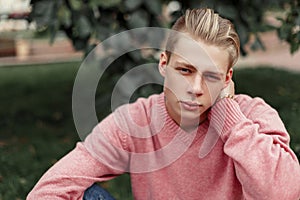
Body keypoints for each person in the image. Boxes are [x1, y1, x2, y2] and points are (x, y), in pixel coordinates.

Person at [27, 8, 300, 200]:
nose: (195, 89)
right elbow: (48, 190)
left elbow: (284, 193)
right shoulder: (135, 121)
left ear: (228, 79)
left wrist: (230, 116)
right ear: (163, 64)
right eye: (185, 70)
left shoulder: (253, 115)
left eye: (211, 76)